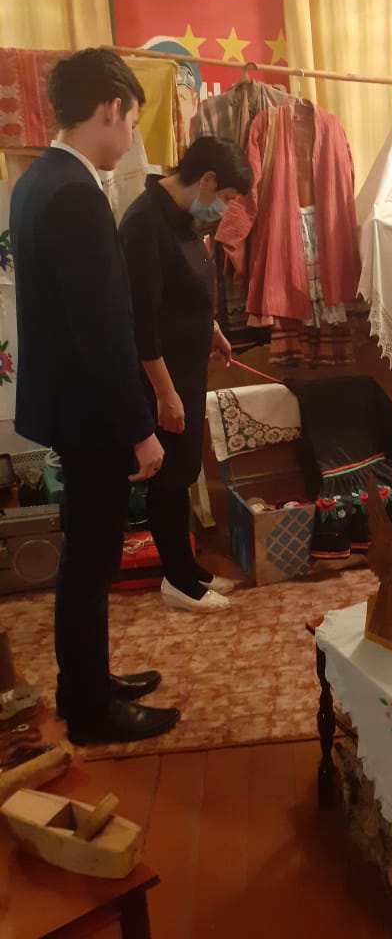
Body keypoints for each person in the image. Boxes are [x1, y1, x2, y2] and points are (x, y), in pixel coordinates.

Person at [11, 48, 180, 744]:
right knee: (91, 562)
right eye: (132, 121)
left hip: (68, 404)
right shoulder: (76, 194)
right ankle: (89, 710)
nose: (131, 136)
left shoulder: (37, 180)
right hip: (91, 411)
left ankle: (85, 681)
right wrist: (139, 429)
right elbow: (101, 330)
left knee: (86, 556)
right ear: (110, 109)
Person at [120, 137, 253, 612]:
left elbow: (184, 288)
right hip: (162, 377)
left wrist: (212, 328)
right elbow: (141, 321)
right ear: (208, 180)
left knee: (182, 470)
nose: (224, 209)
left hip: (186, 369)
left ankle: (187, 567)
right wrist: (165, 393)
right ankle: (176, 580)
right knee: (169, 476)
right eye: (227, 197)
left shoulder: (181, 218)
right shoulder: (143, 223)